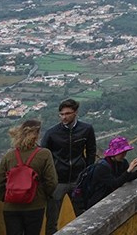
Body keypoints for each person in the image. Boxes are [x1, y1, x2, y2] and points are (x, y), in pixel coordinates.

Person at [41, 98, 96, 235]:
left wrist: (87, 172)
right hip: (57, 181)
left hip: (78, 180)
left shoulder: (86, 130)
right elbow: (42, 155)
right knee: (52, 218)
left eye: (67, 114)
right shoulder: (52, 133)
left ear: (75, 113)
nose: (64, 117)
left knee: (83, 215)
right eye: (61, 114)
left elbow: (91, 151)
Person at [0, 118, 58, 235]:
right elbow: (51, 182)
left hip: (11, 207)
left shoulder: (9, 156)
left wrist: (8, 197)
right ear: (36, 135)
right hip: (35, 205)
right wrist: (42, 196)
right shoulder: (44, 154)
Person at [87, 136, 137, 208]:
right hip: (99, 201)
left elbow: (127, 178)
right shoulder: (102, 167)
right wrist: (129, 170)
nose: (124, 155)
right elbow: (115, 183)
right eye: (121, 153)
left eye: (125, 152)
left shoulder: (122, 162)